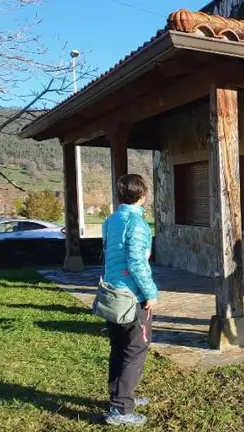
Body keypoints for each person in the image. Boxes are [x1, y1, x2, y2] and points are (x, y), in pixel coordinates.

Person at [102, 174, 159, 426]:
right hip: (131, 296)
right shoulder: (137, 224)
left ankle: (119, 397)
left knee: (119, 346)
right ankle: (121, 410)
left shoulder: (111, 220)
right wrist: (150, 293)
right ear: (143, 195)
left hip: (112, 292)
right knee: (136, 349)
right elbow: (137, 263)